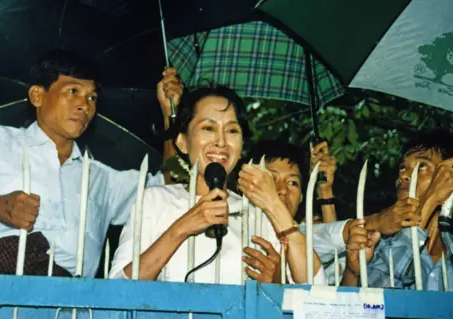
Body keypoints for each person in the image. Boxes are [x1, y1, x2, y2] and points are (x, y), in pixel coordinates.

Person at [0, 49, 183, 277]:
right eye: (73, 91)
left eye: (92, 97)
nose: (85, 105)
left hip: (72, 306)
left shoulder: (101, 179)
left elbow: (169, 184)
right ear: (37, 96)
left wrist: (170, 112)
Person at [109, 86, 325, 284]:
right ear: (182, 142)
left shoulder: (258, 214)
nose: (221, 142)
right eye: (208, 128)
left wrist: (276, 281)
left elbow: (317, 290)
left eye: (232, 131)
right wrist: (182, 228)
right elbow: (117, 288)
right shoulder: (155, 200)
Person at [343, 130, 453, 291]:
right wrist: (430, 200)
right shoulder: (375, 243)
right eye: (403, 167)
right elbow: (383, 296)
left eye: (422, 166)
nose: (404, 176)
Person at [237, 140, 327, 283]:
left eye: (293, 182)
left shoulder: (303, 242)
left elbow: (315, 291)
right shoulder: (232, 223)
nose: (283, 190)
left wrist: (279, 281)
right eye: (271, 178)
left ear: (302, 197)